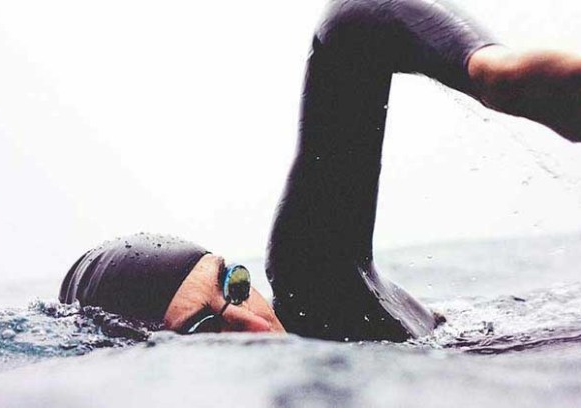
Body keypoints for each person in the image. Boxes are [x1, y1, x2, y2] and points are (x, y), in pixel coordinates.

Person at [59, 0, 581, 342]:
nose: (246, 319)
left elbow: (350, 35)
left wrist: (488, 69)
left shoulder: (321, 291)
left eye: (234, 286)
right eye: (202, 329)